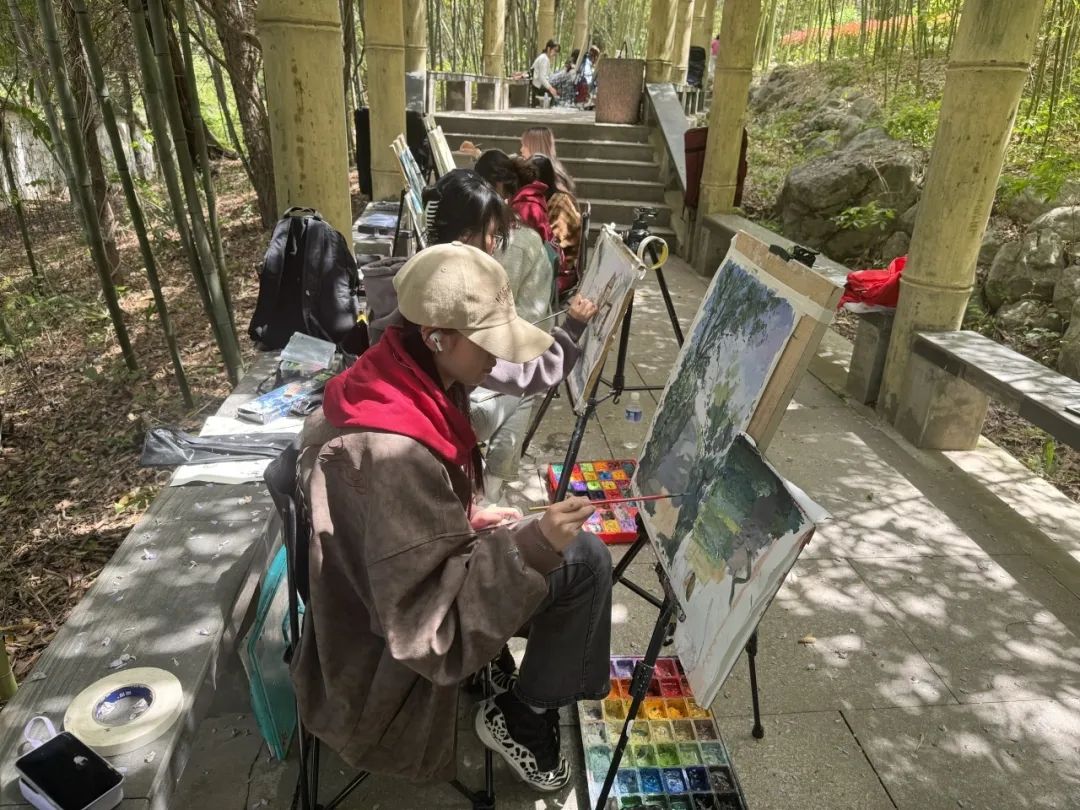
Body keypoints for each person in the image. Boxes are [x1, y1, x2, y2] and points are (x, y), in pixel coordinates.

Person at [291, 243, 613, 791]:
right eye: (488, 342)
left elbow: (404, 533)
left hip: (374, 603)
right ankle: (525, 716)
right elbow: (430, 635)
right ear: (438, 337)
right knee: (584, 562)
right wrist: (533, 545)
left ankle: (520, 691)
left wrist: (467, 513)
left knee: (560, 549)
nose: (498, 357)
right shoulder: (396, 453)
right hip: (388, 661)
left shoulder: (396, 372)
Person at [529, 154, 582, 296]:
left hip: (561, 273)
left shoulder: (560, 203)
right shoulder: (547, 199)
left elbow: (553, 248)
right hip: (551, 267)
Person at [475, 150, 553, 243]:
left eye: (486, 188)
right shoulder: (524, 199)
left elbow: (520, 246)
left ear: (498, 182)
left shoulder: (524, 207)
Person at [519, 126, 576, 194]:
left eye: (525, 145)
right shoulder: (556, 173)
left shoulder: (552, 178)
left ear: (536, 146)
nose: (521, 149)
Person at [530, 39, 561, 107]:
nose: (555, 53)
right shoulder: (544, 59)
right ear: (548, 49)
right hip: (538, 88)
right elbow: (542, 77)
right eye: (555, 50)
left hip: (539, 87)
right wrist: (551, 88)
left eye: (557, 52)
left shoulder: (545, 58)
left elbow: (548, 75)